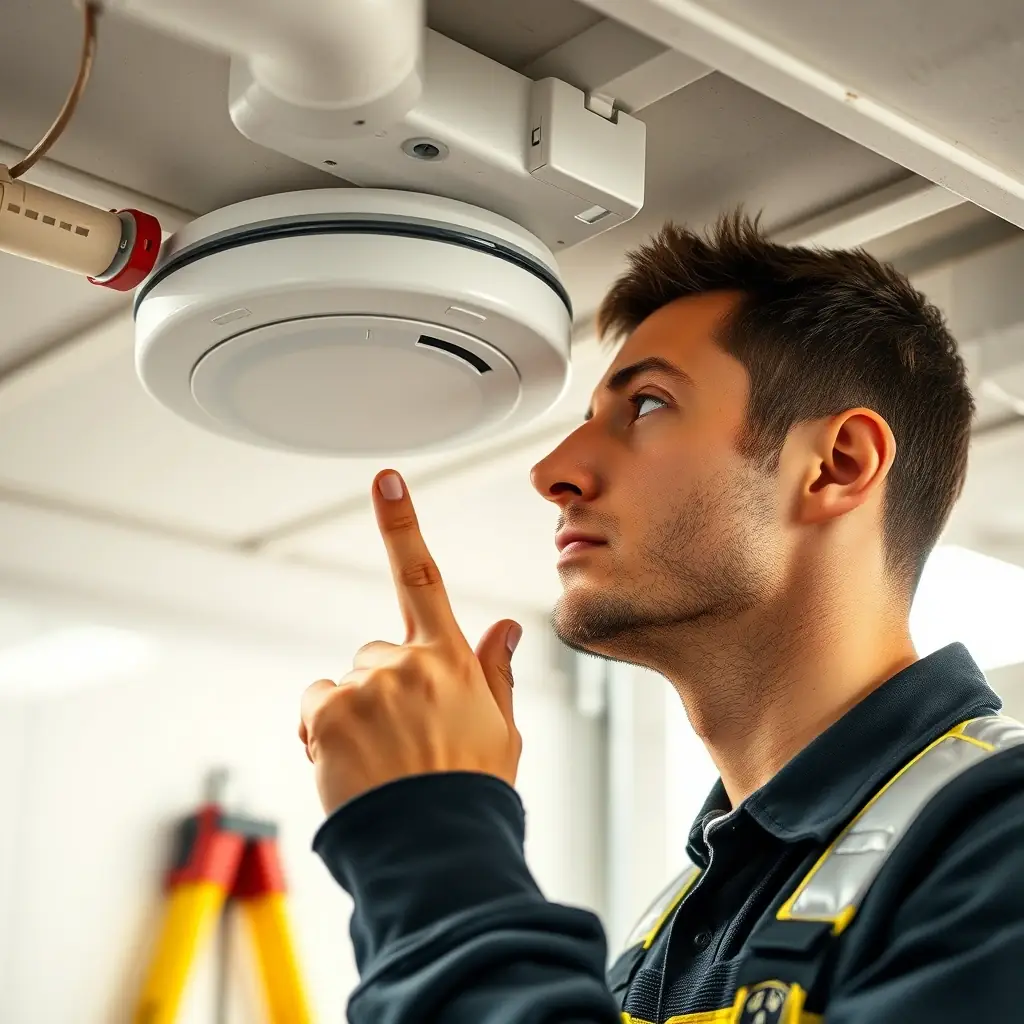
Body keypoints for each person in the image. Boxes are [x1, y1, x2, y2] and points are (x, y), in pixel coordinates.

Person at [298, 213, 1024, 1023]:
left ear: (836, 465)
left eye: (644, 405)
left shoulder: (1003, 837)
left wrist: (431, 842)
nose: (553, 471)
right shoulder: (663, 943)